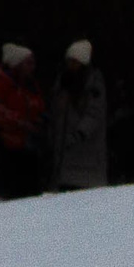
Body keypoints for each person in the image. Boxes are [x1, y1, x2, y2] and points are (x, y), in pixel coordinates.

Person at [0, 43, 48, 199]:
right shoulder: (2, 84)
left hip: (28, 145)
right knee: (15, 189)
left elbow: (38, 105)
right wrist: (22, 122)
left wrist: (40, 119)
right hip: (8, 146)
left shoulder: (30, 84)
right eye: (28, 63)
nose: (32, 67)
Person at [49, 38, 109, 190]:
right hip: (65, 153)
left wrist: (80, 133)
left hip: (86, 153)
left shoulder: (93, 83)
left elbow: (95, 113)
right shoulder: (62, 82)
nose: (71, 65)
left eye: (74, 61)